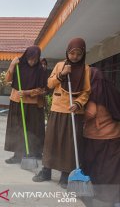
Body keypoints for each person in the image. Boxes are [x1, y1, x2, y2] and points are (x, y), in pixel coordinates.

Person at [33, 38, 91, 189]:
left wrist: (78, 103)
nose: (75, 57)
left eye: (78, 54)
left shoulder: (86, 69)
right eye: (72, 53)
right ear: (67, 52)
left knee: (70, 144)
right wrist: (62, 74)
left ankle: (66, 175)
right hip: (58, 109)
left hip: (74, 112)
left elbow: (86, 91)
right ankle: (46, 170)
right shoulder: (60, 65)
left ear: (83, 54)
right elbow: (50, 84)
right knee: (51, 141)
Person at [82, 68, 120, 206]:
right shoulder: (111, 89)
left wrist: (79, 116)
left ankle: (103, 198)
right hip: (115, 135)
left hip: (98, 136)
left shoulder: (95, 91)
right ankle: (115, 198)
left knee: (98, 168)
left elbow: (91, 113)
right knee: (112, 169)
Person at [4, 46, 47, 164]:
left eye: (35, 59)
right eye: (30, 59)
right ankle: (17, 154)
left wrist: (27, 92)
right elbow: (7, 79)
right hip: (17, 101)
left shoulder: (40, 69)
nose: (32, 62)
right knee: (17, 128)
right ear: (26, 57)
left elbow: (42, 89)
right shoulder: (19, 65)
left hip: (33, 104)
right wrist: (12, 65)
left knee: (32, 130)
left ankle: (31, 154)